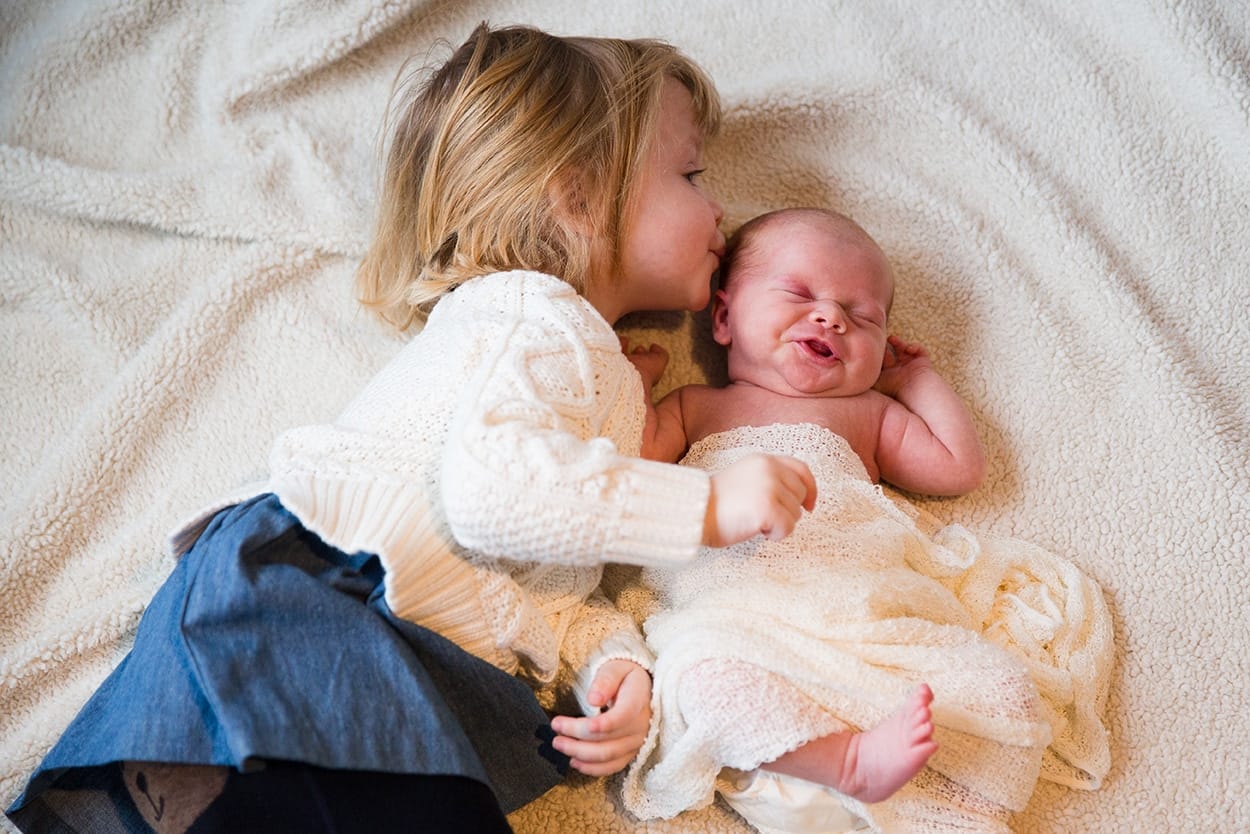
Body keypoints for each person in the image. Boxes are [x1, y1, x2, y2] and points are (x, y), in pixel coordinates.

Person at [5, 26, 819, 834]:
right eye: (689, 173)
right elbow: (491, 491)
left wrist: (613, 664)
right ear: (575, 195)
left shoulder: (576, 365)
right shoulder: (532, 313)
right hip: (330, 599)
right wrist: (704, 504)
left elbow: (546, 588)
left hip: (394, 648)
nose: (720, 208)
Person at [618, 208, 1106, 833]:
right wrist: (637, 383)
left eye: (862, 316)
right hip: (743, 614)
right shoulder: (695, 405)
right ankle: (841, 762)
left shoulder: (867, 414)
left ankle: (957, 817)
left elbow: (958, 467)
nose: (831, 318)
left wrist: (919, 380)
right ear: (722, 317)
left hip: (859, 612)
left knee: (1002, 687)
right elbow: (632, 460)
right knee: (702, 677)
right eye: (798, 294)